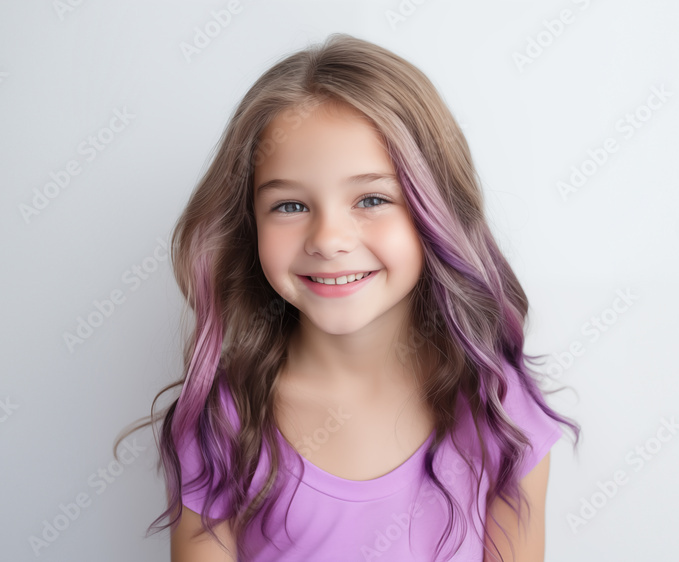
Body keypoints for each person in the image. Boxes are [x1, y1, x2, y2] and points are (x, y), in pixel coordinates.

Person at [120, 33, 580, 561]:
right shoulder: (226, 420)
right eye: (290, 206)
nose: (328, 239)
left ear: (435, 211)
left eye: (371, 199)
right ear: (249, 226)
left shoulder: (497, 407)